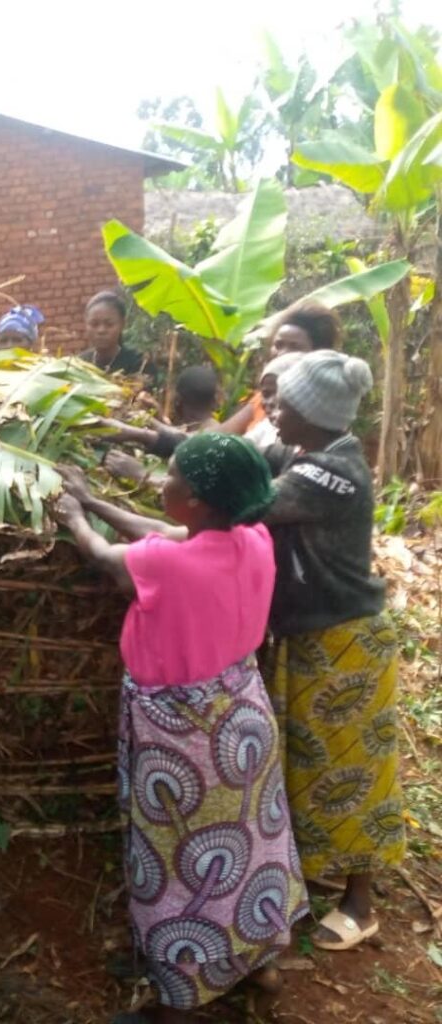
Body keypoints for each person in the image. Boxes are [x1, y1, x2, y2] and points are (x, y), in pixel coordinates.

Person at [55, 434, 307, 1023]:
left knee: (179, 857)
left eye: (169, 477)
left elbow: (105, 556)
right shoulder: (253, 538)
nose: (160, 482)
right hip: (243, 715)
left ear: (193, 499)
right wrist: (96, 500)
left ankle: (177, 998)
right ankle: (260, 959)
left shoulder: (167, 565)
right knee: (253, 843)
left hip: (182, 734)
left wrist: (74, 517)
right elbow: (166, 533)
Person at [264, 351, 404, 951]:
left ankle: (360, 902)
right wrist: (151, 436)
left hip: (345, 637)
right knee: (305, 759)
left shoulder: (330, 473)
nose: (271, 408)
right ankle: (314, 871)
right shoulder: (300, 451)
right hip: (308, 633)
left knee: (355, 769)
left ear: (312, 415)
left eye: (282, 403)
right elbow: (245, 460)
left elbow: (246, 501)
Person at [221, 302, 342, 438]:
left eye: (294, 347)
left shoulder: (322, 405)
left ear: (316, 354)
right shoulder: (264, 396)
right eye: (278, 345)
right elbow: (221, 434)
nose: (282, 353)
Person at [80, 291, 153, 382]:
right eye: (94, 324)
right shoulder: (79, 365)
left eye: (109, 324)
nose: (101, 330)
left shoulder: (139, 363)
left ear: (122, 324)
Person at [244, 352, 303, 450]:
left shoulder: (310, 440)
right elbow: (241, 447)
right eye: (266, 394)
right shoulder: (266, 427)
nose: (271, 402)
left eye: (281, 393)